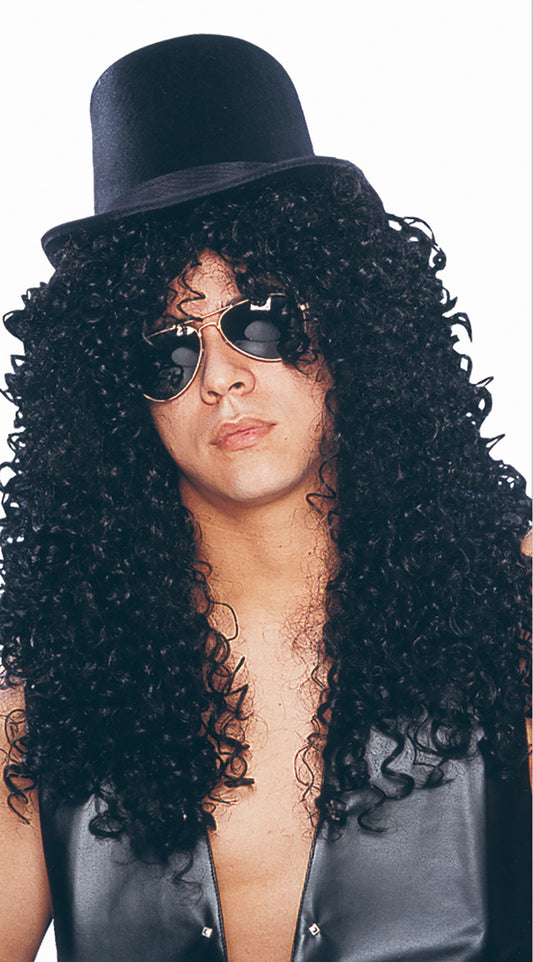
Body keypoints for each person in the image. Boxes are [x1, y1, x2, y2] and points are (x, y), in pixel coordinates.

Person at [0, 35, 530, 962]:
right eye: (169, 349)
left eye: (263, 321)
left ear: (353, 326)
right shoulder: (49, 703)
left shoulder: (508, 612)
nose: (221, 377)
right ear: (117, 398)